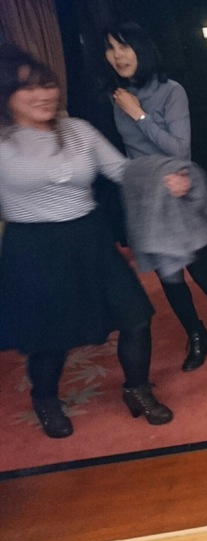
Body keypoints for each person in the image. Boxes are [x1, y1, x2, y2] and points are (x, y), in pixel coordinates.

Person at [0, 44, 174, 438]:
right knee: (49, 336)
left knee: (135, 316)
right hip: (33, 247)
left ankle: (137, 389)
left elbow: (122, 170)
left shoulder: (78, 130)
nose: (44, 95)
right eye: (29, 88)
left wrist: (164, 177)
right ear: (7, 96)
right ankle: (45, 399)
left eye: (48, 85)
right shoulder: (3, 142)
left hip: (89, 236)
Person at [104, 23, 207, 372]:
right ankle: (196, 334)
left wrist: (139, 114)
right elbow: (129, 153)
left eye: (124, 46)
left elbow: (179, 150)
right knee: (169, 279)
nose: (117, 55)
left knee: (204, 274)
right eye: (110, 48)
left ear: (142, 49)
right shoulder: (118, 97)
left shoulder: (171, 91)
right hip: (145, 198)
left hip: (179, 193)